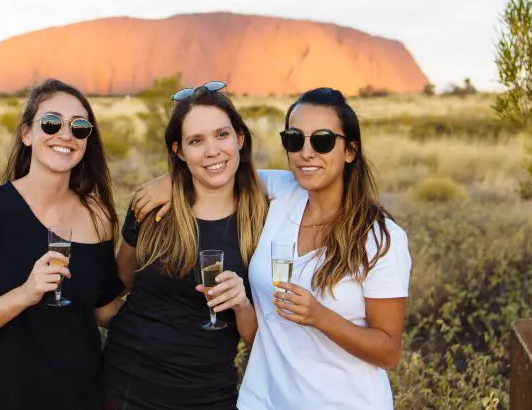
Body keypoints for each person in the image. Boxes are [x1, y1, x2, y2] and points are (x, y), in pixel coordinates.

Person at [133, 87, 412, 410]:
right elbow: (220, 169)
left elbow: (388, 351)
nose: (306, 152)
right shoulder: (282, 195)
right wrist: (171, 181)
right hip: (263, 400)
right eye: (294, 139)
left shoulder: (380, 239)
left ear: (349, 150)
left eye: (322, 141)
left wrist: (320, 317)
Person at [0, 79, 124, 410]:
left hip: (77, 398)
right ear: (27, 134)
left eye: (79, 127)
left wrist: (174, 302)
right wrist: (25, 295)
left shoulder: (99, 216)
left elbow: (103, 309)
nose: (66, 135)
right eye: (52, 123)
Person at [100, 81, 269, 409]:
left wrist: (241, 305)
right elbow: (119, 282)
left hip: (208, 395)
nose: (212, 151)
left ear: (240, 138)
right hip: (126, 387)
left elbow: (260, 337)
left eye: (222, 135)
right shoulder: (151, 208)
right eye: (196, 141)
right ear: (178, 150)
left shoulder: (264, 220)